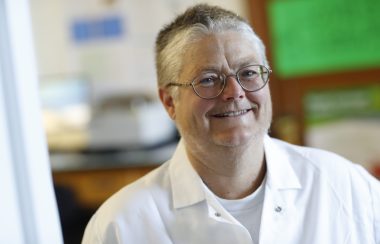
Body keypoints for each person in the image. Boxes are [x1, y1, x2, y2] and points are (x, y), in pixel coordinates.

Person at [82, 4, 380, 244]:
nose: (235, 91)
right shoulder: (120, 226)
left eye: (249, 72)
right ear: (169, 102)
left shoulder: (346, 186)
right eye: (209, 79)